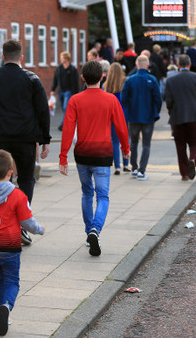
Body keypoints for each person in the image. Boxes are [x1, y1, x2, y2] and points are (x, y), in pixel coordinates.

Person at [0, 39, 50, 246]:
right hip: (26, 138)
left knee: (0, 180)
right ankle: (20, 224)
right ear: (21, 57)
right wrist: (45, 140)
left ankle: (0, 223)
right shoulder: (32, 79)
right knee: (26, 179)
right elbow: (42, 110)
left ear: (2, 56)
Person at [60, 60, 130, 257]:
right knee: (103, 196)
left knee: (86, 193)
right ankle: (95, 230)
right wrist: (125, 149)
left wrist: (63, 156)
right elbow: (121, 127)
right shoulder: (111, 100)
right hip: (103, 154)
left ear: (83, 78)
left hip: (82, 153)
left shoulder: (75, 100)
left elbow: (67, 129)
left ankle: (88, 231)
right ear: (102, 77)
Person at [0, 149, 45, 336]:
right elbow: (27, 223)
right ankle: (6, 308)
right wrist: (39, 229)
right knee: (12, 280)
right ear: (10, 172)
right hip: (9, 245)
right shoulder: (18, 196)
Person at [121, 55, 162, 181]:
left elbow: (124, 99)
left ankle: (133, 168)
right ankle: (142, 171)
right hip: (148, 117)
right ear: (147, 65)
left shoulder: (130, 80)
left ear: (136, 64)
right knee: (146, 144)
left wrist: (128, 111)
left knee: (133, 142)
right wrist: (155, 113)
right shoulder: (152, 79)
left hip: (133, 117)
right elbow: (158, 100)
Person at [164, 54, 196, 181]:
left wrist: (172, 112)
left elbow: (169, 101)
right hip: (194, 117)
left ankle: (184, 174)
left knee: (180, 145)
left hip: (177, 118)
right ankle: (193, 158)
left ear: (178, 65)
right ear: (189, 64)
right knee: (194, 142)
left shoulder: (171, 80)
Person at [104, 63, 130, 175]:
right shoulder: (125, 81)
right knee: (125, 138)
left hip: (111, 114)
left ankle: (117, 167)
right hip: (123, 114)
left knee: (114, 141)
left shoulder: (106, 84)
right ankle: (126, 164)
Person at [50, 51, 79, 132]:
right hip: (61, 91)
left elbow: (75, 83)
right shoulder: (59, 69)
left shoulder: (72, 69)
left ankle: (63, 125)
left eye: (62, 57)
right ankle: (70, 122)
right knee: (64, 108)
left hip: (68, 92)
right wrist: (53, 90)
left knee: (66, 108)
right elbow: (55, 80)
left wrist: (75, 94)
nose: (60, 59)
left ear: (66, 58)